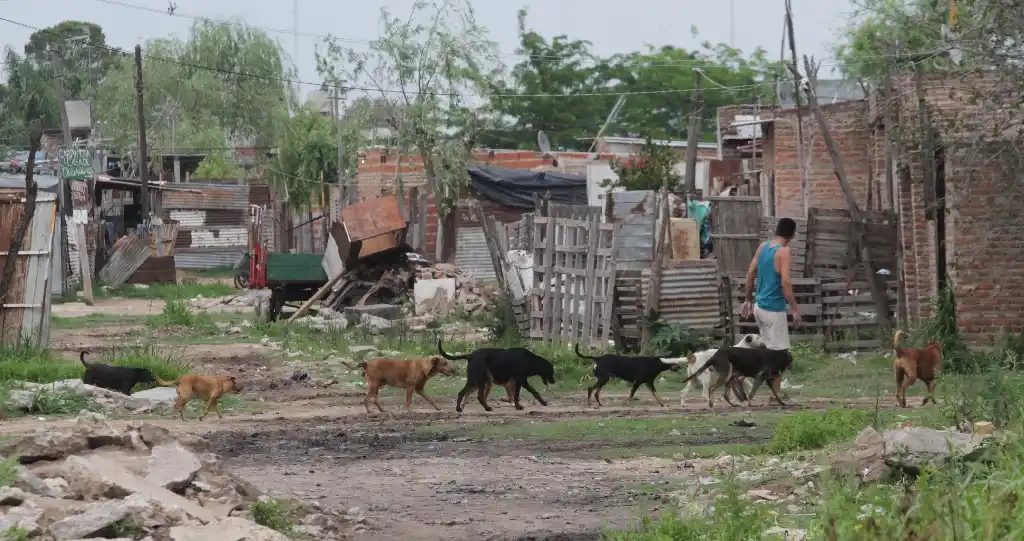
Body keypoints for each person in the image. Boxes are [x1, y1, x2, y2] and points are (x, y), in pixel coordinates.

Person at [741, 217, 801, 352]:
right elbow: (785, 283)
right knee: (779, 353)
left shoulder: (763, 246)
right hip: (773, 310)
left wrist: (748, 299)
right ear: (792, 234)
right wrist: (795, 309)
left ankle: (764, 373)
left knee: (768, 350)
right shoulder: (784, 251)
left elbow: (750, 274)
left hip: (759, 307)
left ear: (777, 230)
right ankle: (775, 373)